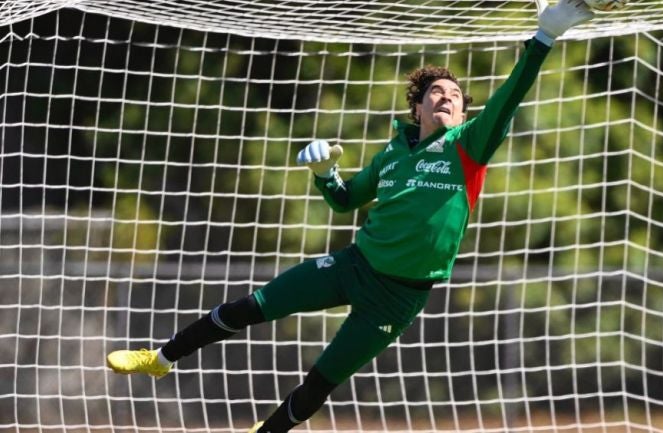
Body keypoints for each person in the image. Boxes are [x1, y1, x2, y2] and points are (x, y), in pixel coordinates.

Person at [106, 1, 594, 431]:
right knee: (248, 308)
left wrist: (544, 37)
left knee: (320, 381)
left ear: (466, 113)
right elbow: (345, 200)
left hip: (398, 300)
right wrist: (324, 173)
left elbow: (511, 93)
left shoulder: (469, 146)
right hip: (352, 266)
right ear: (418, 108)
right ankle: (161, 357)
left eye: (455, 96)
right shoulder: (391, 154)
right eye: (436, 93)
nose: (446, 97)